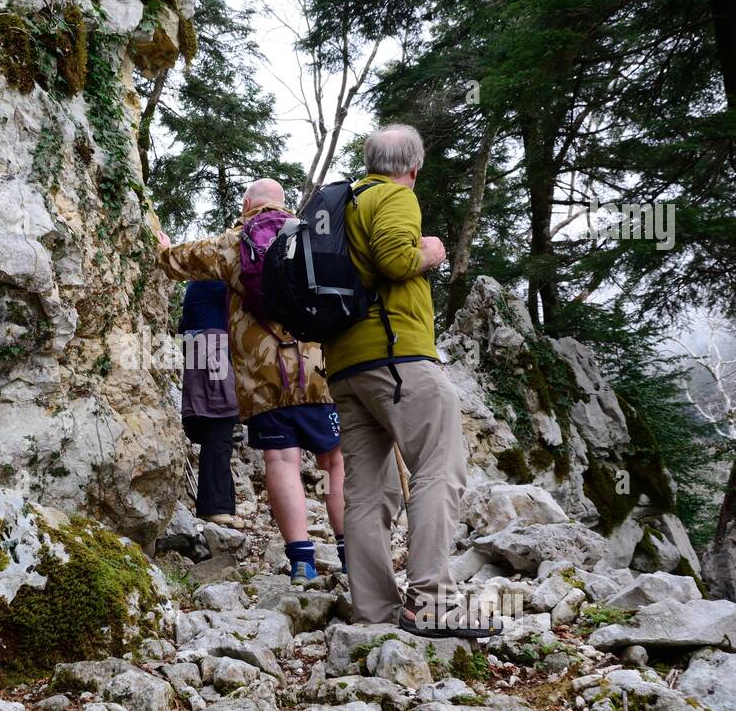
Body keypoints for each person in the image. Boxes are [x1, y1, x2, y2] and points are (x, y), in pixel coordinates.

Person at [323, 124, 500, 638]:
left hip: (346, 367)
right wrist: (434, 252)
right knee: (438, 468)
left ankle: (375, 613)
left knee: (366, 491)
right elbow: (396, 259)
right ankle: (432, 604)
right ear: (413, 169)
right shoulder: (395, 197)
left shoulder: (345, 203)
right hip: (399, 358)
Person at [158, 179, 346, 585]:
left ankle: (301, 561)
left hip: (264, 379)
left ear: (247, 205)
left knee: (282, 462)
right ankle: (352, 551)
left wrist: (160, 243)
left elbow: (174, 262)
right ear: (285, 205)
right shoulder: (314, 236)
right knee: (334, 463)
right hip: (319, 370)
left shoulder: (233, 242)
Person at [178, 279, 241, 528]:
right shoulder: (212, 283)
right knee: (219, 426)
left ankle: (219, 506)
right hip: (213, 353)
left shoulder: (198, 286)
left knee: (219, 431)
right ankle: (214, 508)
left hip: (205, 352)